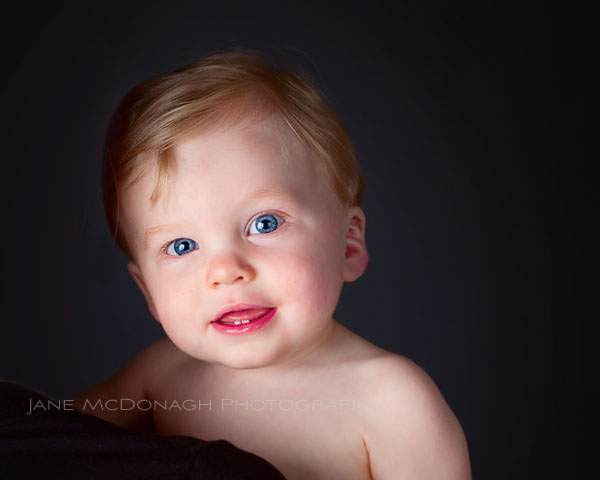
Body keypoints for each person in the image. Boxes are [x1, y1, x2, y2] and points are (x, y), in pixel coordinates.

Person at [75, 48, 471, 479]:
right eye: (183, 246)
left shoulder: (392, 402)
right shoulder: (159, 376)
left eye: (264, 223)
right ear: (148, 293)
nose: (225, 271)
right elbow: (46, 445)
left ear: (348, 247)